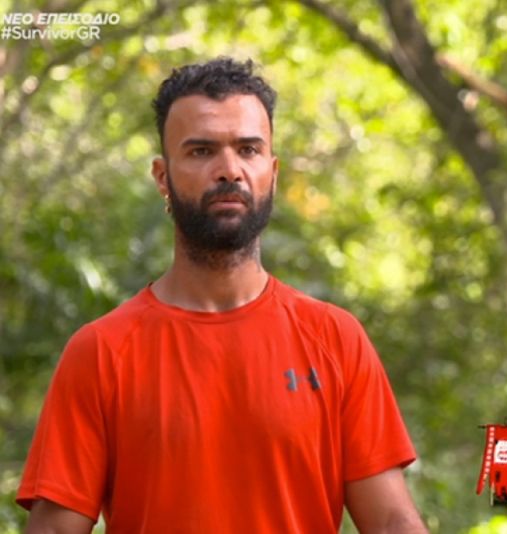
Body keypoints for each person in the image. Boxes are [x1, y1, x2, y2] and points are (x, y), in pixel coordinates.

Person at [17, 57, 427, 533]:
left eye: (248, 150)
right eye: (201, 151)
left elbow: (392, 522)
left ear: (272, 171)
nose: (229, 170)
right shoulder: (101, 352)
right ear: (162, 176)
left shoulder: (335, 338)